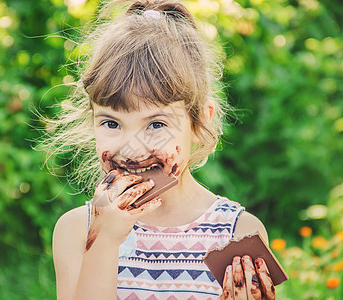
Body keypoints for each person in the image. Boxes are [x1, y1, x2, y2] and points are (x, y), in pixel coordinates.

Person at [46, 0, 276, 299]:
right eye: (111, 123)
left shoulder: (238, 235)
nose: (131, 148)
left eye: (155, 125)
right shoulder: (78, 230)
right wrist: (104, 242)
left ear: (197, 124)